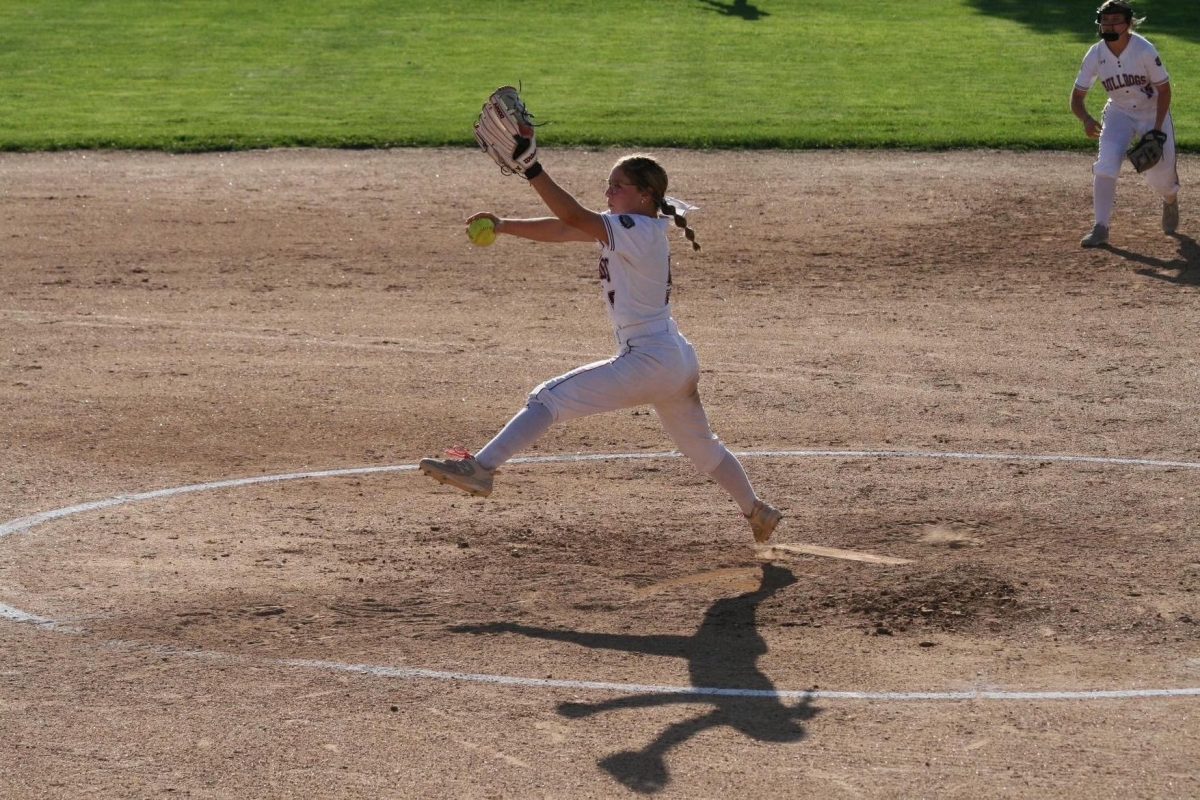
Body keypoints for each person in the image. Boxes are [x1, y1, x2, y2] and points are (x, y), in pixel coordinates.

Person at [418, 152, 782, 544]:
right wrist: (505, 226)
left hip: (649, 360)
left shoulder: (635, 230)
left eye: (616, 186)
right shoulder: (634, 227)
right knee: (702, 449)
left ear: (644, 195)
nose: (607, 192)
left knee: (547, 399)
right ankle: (756, 510)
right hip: (673, 357)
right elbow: (563, 229)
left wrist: (532, 169)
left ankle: (482, 468)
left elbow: (573, 218)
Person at [1071, 1, 1180, 248]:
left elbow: (1164, 90)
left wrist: (1156, 129)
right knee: (1106, 164)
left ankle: (1170, 198)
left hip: (1153, 113)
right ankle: (1100, 227)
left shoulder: (1144, 50)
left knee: (1159, 178)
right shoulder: (1096, 54)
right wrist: (1086, 119)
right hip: (1118, 112)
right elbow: (1077, 97)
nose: (1109, 25)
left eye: (1116, 20)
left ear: (1129, 24)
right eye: (1105, 20)